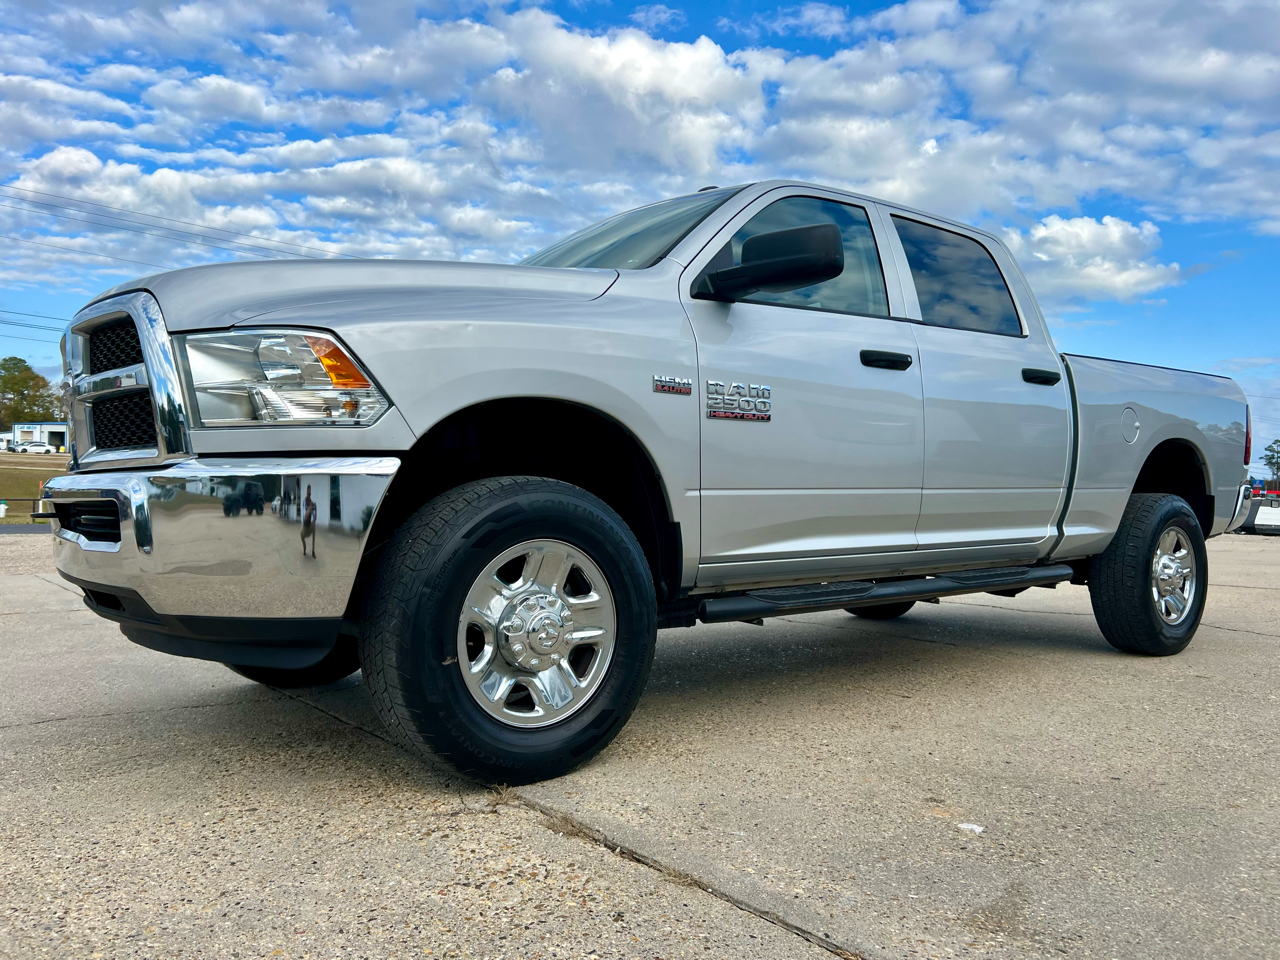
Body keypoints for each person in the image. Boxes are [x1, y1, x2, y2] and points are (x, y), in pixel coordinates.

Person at [301, 484, 317, 558]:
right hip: (304, 525)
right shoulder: (304, 502)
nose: (309, 495)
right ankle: (304, 549)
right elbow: (305, 516)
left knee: (314, 526)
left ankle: (313, 551)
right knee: (302, 538)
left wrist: (315, 510)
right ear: (306, 492)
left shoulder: (312, 502)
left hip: (309, 525)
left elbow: (315, 517)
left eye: (310, 493)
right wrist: (310, 507)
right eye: (308, 493)